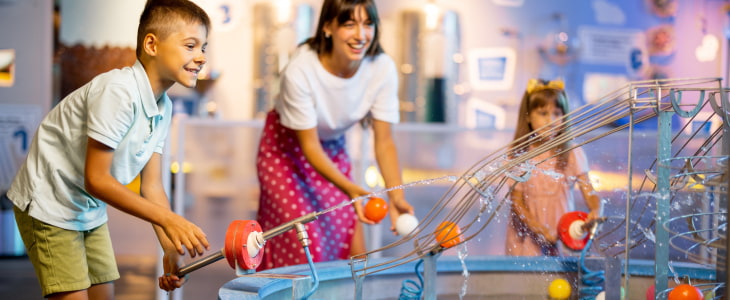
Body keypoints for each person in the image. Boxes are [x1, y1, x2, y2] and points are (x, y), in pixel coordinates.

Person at [7, 0, 211, 298]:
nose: (202, 57)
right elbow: (97, 179)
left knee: (105, 294)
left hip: (87, 207)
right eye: (191, 45)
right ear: (152, 45)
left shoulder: (162, 106)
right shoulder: (118, 91)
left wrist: (170, 249)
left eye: (204, 47)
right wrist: (171, 220)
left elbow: (152, 187)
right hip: (49, 202)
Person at [256, 0, 414, 270]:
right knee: (307, 245)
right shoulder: (301, 71)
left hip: (331, 147)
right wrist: (350, 189)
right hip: (285, 152)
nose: (360, 35)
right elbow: (309, 147)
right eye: (349, 24)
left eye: (368, 24)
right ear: (328, 27)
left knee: (354, 248)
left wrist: (396, 195)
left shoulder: (381, 68)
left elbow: (384, 141)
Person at [505, 79, 600, 256]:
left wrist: (595, 210)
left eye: (557, 114)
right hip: (526, 237)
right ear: (528, 116)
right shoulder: (519, 154)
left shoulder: (572, 153)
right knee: (526, 280)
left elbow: (590, 191)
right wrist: (539, 230)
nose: (551, 121)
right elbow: (517, 201)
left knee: (562, 281)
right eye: (543, 113)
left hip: (561, 234)